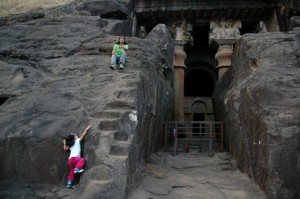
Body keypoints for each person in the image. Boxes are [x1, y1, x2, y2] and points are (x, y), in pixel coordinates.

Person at [63, 125, 91, 189]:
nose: (76, 136)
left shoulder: (71, 145)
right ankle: (78, 168)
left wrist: (64, 143)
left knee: (72, 171)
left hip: (70, 160)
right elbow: (83, 135)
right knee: (82, 160)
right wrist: (86, 129)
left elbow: (65, 149)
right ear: (75, 138)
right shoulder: (77, 141)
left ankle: (69, 183)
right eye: (75, 135)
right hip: (75, 159)